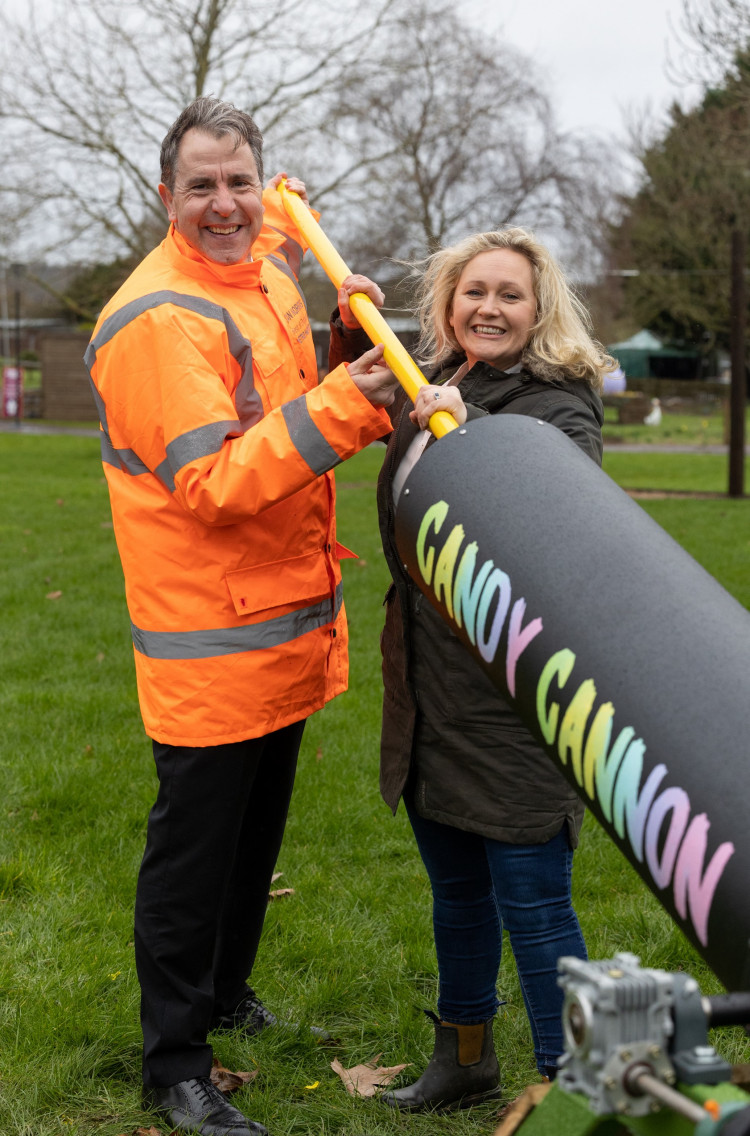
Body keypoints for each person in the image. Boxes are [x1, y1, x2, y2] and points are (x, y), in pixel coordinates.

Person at [85, 96, 398, 1136]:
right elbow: (217, 480)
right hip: (209, 636)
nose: (224, 203)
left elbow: (279, 394)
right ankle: (175, 1062)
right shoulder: (157, 318)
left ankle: (225, 994)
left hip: (280, 622)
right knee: (193, 855)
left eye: (238, 181)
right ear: (163, 194)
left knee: (251, 838)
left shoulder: (263, 270)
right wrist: (351, 403)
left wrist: (345, 334)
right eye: (201, 185)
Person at [365, 228, 612, 1111]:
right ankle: (465, 1059)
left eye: (510, 294)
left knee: (535, 903)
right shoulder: (444, 383)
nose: (490, 309)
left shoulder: (557, 404)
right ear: (448, 302)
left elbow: (566, 513)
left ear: (540, 309)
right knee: (458, 893)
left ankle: (570, 1092)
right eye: (475, 292)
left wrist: (481, 443)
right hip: (431, 690)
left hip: (517, 695)